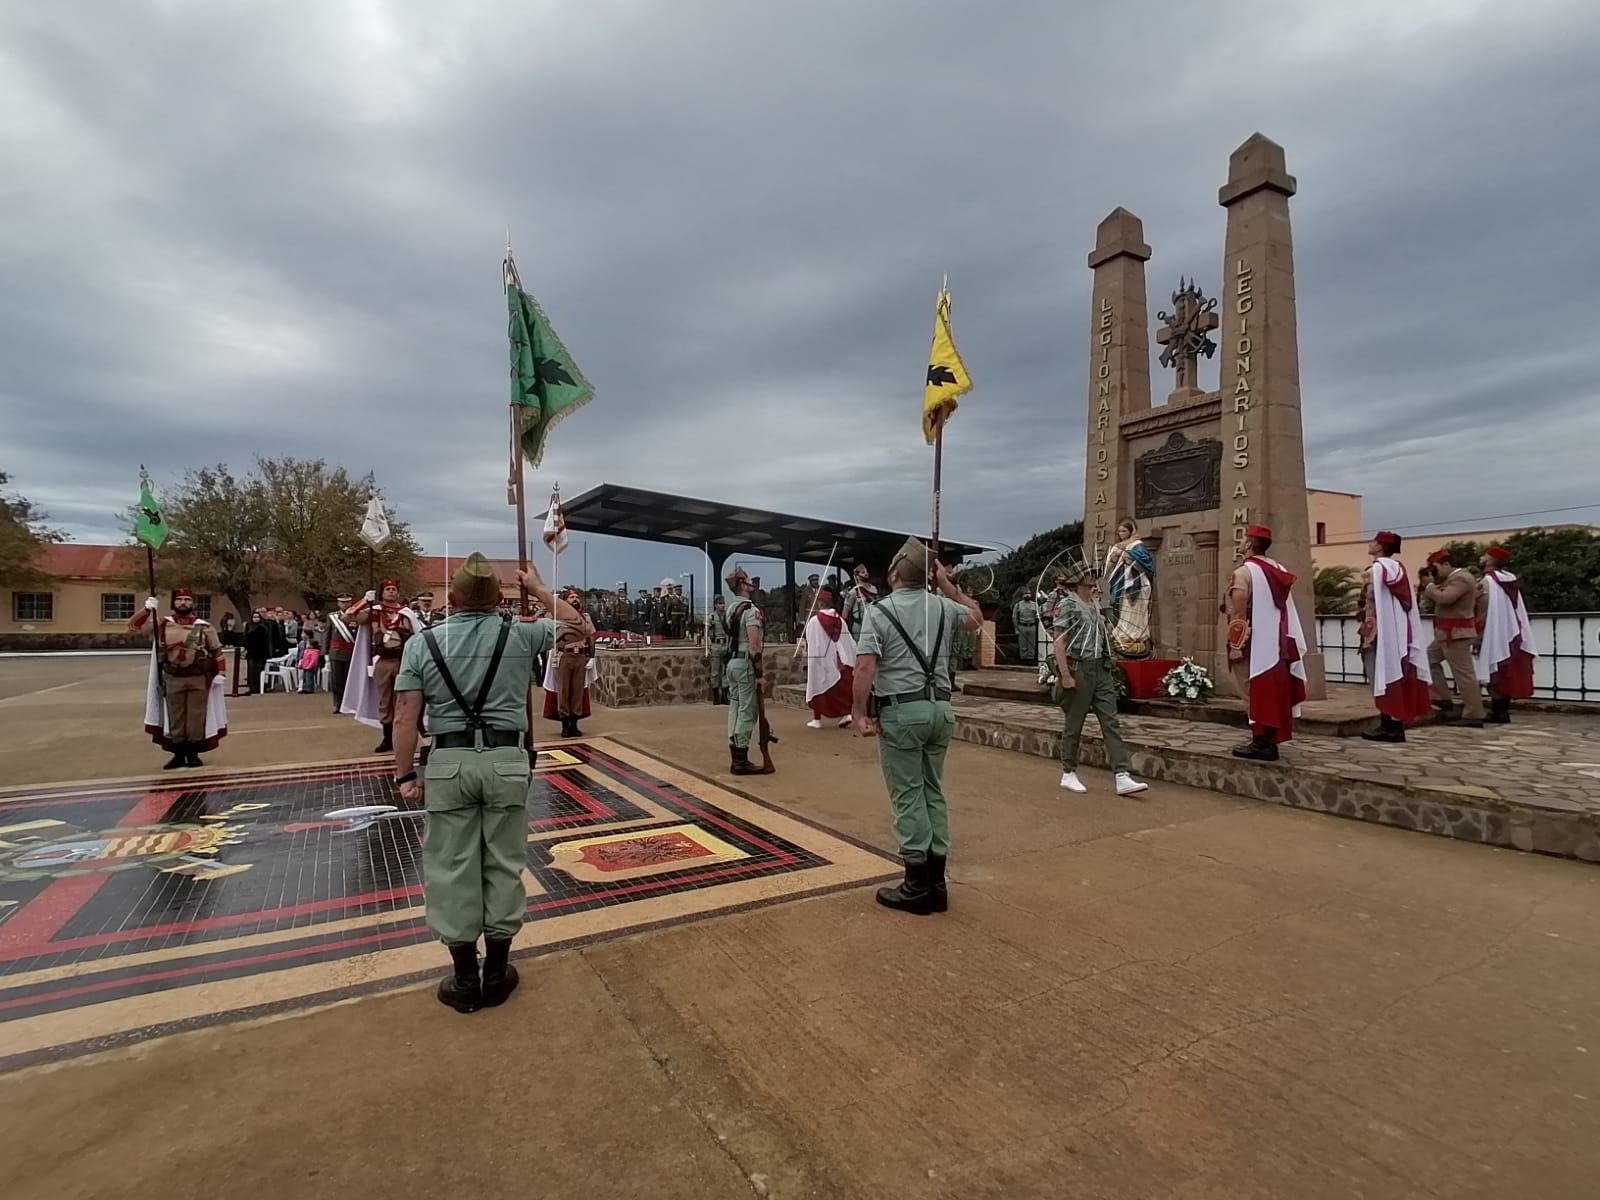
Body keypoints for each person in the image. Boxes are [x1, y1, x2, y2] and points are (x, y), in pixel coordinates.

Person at [392, 554, 579, 1013]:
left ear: (451, 599)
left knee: (451, 865)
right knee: (502, 861)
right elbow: (578, 626)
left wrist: (404, 775)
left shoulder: (423, 644)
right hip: (505, 761)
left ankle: (463, 975)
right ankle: (496, 971)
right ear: (499, 599)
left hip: (449, 762)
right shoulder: (521, 634)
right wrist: (536, 589)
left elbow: (404, 716)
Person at [852, 537, 980, 915]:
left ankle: (916, 885)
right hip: (940, 711)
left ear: (893, 574)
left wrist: (859, 712)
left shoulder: (879, 612)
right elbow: (975, 617)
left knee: (908, 795)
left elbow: (864, 667)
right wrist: (945, 584)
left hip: (902, 714)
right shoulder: (943, 607)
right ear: (927, 576)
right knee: (932, 791)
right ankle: (937, 885)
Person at [1050, 561, 1149, 796]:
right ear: (1077, 578)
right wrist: (1065, 675)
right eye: (1088, 573)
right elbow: (1059, 642)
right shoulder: (1068, 605)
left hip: (1100, 668)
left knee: (1110, 721)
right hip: (1080, 668)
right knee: (1075, 722)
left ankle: (1121, 774)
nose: (1094, 577)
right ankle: (1068, 771)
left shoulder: (1095, 603)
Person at [1223, 524, 1309, 761]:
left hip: (1253, 640)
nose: (1240, 543)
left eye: (1243, 540)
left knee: (1252, 689)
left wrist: (1236, 645)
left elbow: (1238, 613)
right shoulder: (1278, 568)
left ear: (1249, 544)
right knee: (1272, 690)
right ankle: (1267, 739)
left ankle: (1261, 742)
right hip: (1278, 640)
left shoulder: (1244, 572)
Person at [129, 587, 226, 769]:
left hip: (198, 677)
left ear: (193, 603)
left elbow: (217, 651)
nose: (184, 603)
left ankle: (193, 753)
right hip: (173, 677)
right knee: (176, 716)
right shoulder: (163, 624)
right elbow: (134, 627)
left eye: (187, 600)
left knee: (196, 717)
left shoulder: (204, 626)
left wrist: (221, 673)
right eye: (180, 599)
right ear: (173, 603)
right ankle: (178, 754)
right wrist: (147, 610)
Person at [1359, 531, 1432, 743]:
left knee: (1382, 674)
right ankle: (1391, 723)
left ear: (1381, 546)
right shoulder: (1397, 568)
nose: (1370, 544)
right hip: (1390, 627)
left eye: (1374, 542)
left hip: (1381, 630)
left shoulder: (1378, 569)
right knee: (1389, 674)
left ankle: (1390, 725)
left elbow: (1372, 599)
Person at [344, 580, 424, 753]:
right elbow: (347, 617)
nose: (391, 592)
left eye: (394, 589)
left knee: (403, 700)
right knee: (385, 701)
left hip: (403, 662)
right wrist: (365, 600)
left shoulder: (406, 613)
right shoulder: (373, 611)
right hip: (383, 662)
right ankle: (387, 738)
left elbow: (418, 635)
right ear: (381, 592)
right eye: (387, 589)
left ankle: (403, 735)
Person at [1420, 549, 1486, 727]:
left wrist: (1429, 586)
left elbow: (1445, 598)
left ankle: (1474, 714)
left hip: (1456, 633)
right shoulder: (1452, 579)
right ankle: (1442, 697)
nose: (1434, 573)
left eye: (1435, 568)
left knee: (1464, 675)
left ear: (1446, 564)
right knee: (1428, 660)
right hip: (1447, 633)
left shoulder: (1461, 578)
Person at [1476, 546, 1539, 724]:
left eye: (1485, 555)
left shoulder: (1488, 581)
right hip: (1511, 629)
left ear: (1491, 560)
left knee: (1494, 666)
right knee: (1506, 669)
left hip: (1494, 629)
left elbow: (1484, 606)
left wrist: (1478, 627)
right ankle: (1502, 710)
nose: (1481, 558)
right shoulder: (1509, 579)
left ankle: (1498, 711)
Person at [722, 566, 766, 775]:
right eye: (747, 579)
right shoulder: (750, 609)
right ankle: (741, 758)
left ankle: (735, 753)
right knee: (748, 710)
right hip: (745, 664)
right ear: (741, 584)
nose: (752, 583)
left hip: (731, 663)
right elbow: (754, 644)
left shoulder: (730, 608)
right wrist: (760, 674)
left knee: (735, 707)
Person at [801, 586, 857, 729]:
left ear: (819, 603)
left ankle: (817, 720)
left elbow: (813, 642)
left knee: (818, 687)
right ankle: (846, 714)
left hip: (821, 660)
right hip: (841, 661)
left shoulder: (814, 621)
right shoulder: (841, 621)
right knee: (842, 689)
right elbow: (848, 641)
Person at [548, 587, 597, 738]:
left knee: (577, 691)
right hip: (565, 656)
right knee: (563, 690)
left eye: (577, 597)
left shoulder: (585, 617)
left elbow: (591, 637)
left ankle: (575, 723)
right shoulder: (559, 617)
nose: (575, 600)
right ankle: (565, 723)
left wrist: (592, 656)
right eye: (571, 597)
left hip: (580, 656)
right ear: (565, 601)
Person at [1105, 519, 1156, 660]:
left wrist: (1130, 559)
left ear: (1131, 531)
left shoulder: (1137, 545)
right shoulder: (1118, 546)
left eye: (1124, 531)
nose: (1121, 534)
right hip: (1123, 583)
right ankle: (1124, 635)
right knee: (1124, 610)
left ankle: (1135, 635)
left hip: (1137, 583)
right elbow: (1109, 566)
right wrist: (1114, 557)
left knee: (1135, 610)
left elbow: (1147, 563)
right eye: (1119, 531)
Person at [325, 596, 356, 713]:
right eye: (342, 602)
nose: (345, 605)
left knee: (349, 679)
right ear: (338, 603)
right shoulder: (332, 617)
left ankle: (350, 704)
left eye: (347, 602)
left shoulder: (355, 615)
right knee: (337, 680)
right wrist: (325, 653)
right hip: (336, 652)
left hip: (351, 652)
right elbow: (327, 635)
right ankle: (338, 704)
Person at [842, 564, 878, 642]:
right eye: (863, 572)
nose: (866, 573)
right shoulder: (853, 592)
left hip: (873, 624)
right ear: (857, 576)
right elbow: (845, 613)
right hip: (859, 625)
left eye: (866, 572)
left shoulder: (874, 589)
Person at [707, 594, 731, 704]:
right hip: (715, 645)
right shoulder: (711, 617)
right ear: (715, 605)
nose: (722, 606)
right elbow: (706, 633)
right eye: (720, 603)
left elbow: (730, 633)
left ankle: (725, 696)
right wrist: (707, 648)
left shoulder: (727, 617)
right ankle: (716, 696)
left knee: (725, 671)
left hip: (725, 645)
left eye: (723, 603)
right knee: (715, 672)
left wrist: (729, 645)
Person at [1012, 588, 1040, 664]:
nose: (1027, 595)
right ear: (1022, 595)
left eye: (1029, 593)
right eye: (1026, 593)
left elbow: (1038, 616)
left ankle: (1031, 660)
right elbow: (1014, 618)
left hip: (1032, 625)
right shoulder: (1018, 605)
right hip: (1022, 626)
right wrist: (1016, 629)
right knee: (1023, 645)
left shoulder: (1034, 605)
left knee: (1032, 644)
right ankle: (1023, 660)